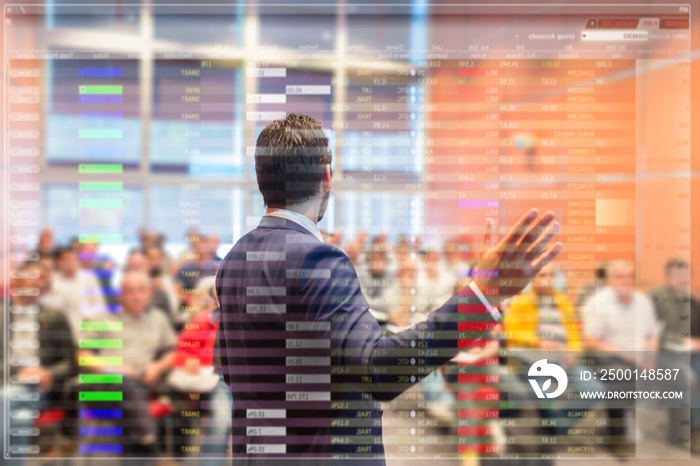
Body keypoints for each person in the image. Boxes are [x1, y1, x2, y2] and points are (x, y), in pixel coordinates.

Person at [215, 113, 562, 464]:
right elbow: (379, 371)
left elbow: (230, 367)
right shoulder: (318, 258)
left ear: (261, 179)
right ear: (326, 176)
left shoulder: (234, 260)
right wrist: (484, 295)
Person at [77, 271, 177, 457]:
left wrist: (158, 366)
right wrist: (114, 369)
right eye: (129, 291)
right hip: (103, 386)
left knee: (131, 397)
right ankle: (154, 450)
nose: (136, 295)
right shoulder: (101, 318)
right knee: (125, 384)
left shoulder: (158, 318)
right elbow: (82, 357)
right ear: (120, 294)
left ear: (150, 293)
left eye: (141, 290)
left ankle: (144, 445)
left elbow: (174, 352)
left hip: (141, 384)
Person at [0, 261, 76, 464]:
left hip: (39, 389)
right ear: (16, 280)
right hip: (4, 381)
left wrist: (48, 373)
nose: (38, 282)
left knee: (6, 398)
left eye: (43, 278)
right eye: (32, 275)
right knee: (21, 418)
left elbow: (71, 361)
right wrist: (19, 371)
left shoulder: (55, 316)